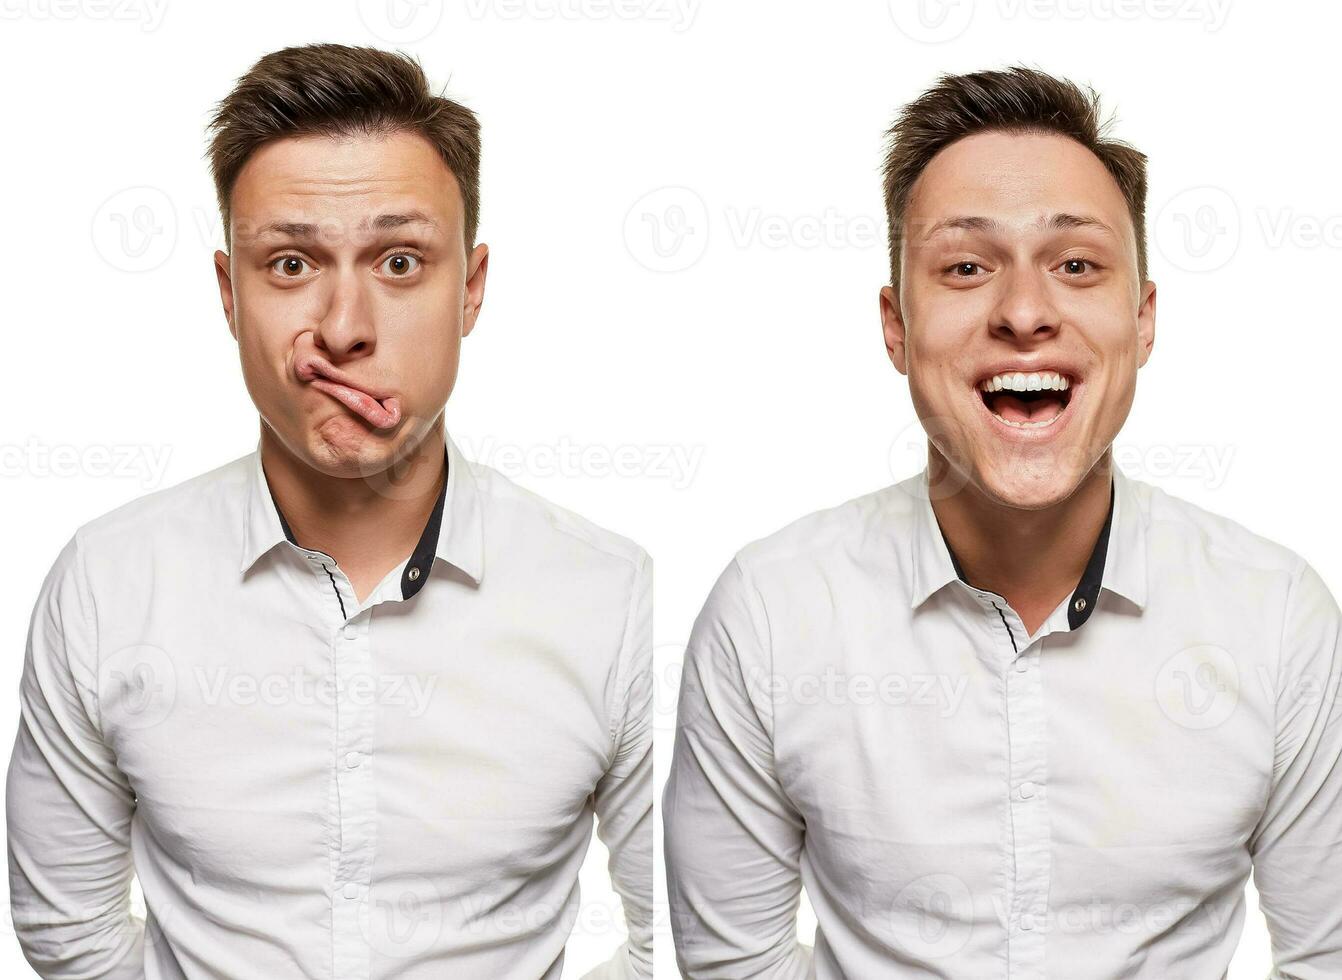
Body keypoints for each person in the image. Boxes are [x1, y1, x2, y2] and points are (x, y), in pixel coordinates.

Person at [663, 65, 1342, 978]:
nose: (1024, 313)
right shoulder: (771, 613)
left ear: (1143, 322)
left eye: (1075, 265)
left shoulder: (1278, 618)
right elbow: (734, 964)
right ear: (896, 326)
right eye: (967, 267)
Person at [6, 43, 651, 980]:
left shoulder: (609, 596)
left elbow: (681, 925)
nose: (345, 327)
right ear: (230, 295)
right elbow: (70, 932)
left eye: (399, 260)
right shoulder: (108, 586)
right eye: (292, 261)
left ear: (469, 288)